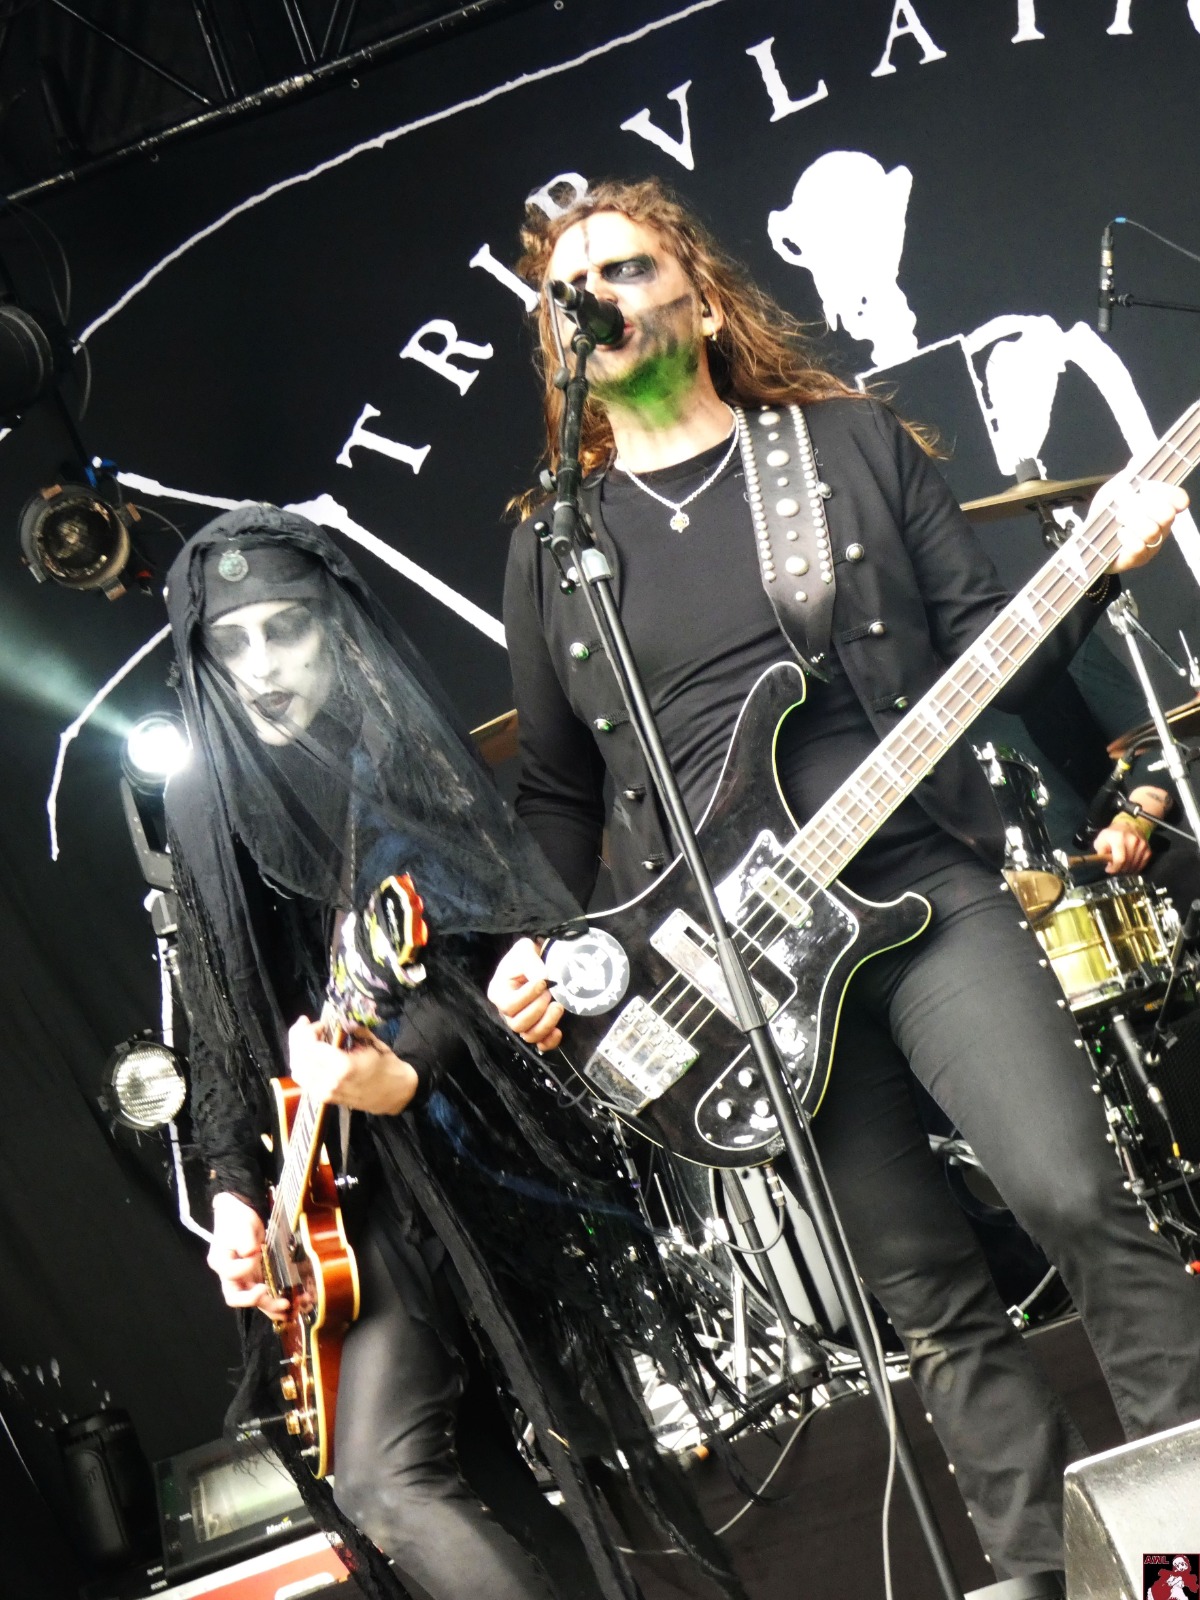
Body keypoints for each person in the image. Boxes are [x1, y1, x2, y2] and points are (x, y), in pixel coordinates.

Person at [489, 177, 1200, 1595]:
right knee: (929, 1295)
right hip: (733, 968)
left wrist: (1092, 573)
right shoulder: (558, 546)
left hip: (918, 885)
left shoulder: (843, 447)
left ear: (699, 296)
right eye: (571, 293)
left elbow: (989, 654)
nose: (597, 301)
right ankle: (1038, 1572)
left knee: (1070, 1192)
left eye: (625, 270)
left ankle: (1187, 1532)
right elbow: (559, 789)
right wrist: (536, 945)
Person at [163, 506, 742, 1600]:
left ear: (333, 628)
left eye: (285, 629)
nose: (263, 667)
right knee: (469, 1475)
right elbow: (217, 1014)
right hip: (325, 1193)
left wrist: (407, 1066)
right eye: (231, 644)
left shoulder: (394, 756)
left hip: (452, 1154)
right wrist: (235, 1191)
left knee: (388, 1481)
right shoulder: (200, 800)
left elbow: (487, 950)